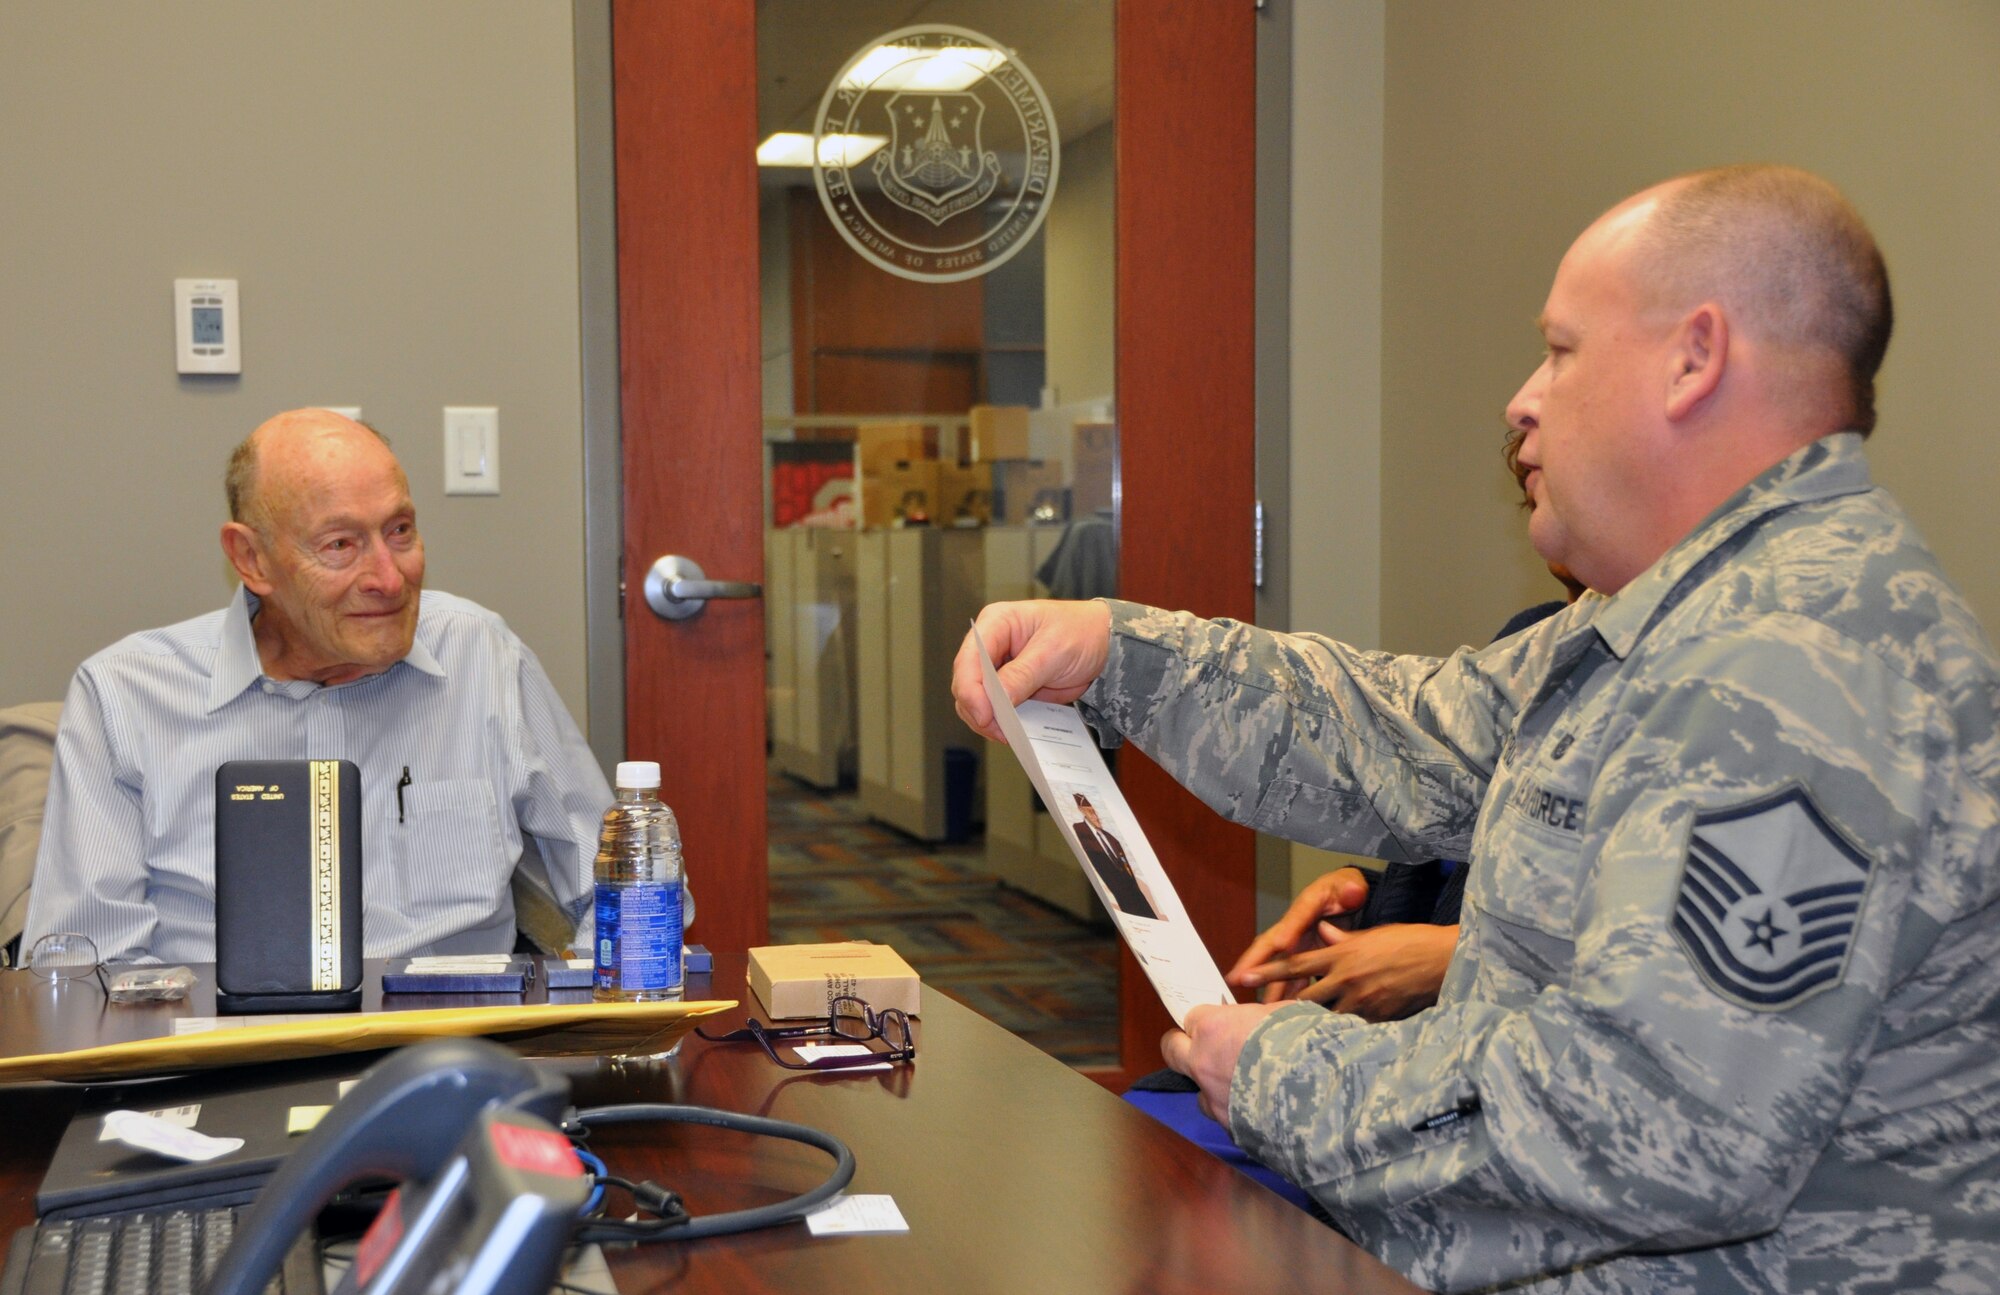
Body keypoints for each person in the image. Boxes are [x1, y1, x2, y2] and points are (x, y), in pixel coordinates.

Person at [952, 166, 1999, 1291]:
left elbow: (1650, 1118)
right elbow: (1403, 736)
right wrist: (1120, 652)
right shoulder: (1676, 617)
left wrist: (1281, 1070)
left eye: (1558, 348)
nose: (1520, 398)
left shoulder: (1802, 662)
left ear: (1692, 358)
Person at [23, 409, 613, 963]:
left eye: (400, 531)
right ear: (250, 559)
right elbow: (82, 962)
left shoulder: (481, 655)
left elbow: (627, 892)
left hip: (448, 1048)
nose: (388, 578)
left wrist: (579, 1022)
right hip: (224, 1058)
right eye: (340, 545)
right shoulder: (126, 696)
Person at [1070, 792, 1157, 920]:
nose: (1095, 816)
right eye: (1089, 811)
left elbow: (1125, 864)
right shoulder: (1080, 829)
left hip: (1130, 887)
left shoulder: (1111, 838)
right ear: (1081, 811)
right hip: (1116, 888)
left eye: (1094, 811)